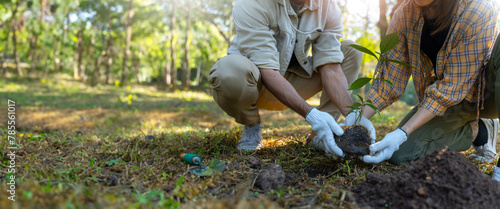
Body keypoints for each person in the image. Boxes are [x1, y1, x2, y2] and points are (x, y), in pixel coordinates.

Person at [352, 0, 500, 178]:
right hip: (447, 104)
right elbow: (389, 81)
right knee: (402, 154)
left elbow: (452, 86)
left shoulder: (477, 9)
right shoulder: (404, 14)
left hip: (487, 96)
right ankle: (478, 130)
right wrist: (356, 120)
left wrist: (403, 131)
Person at [209, 0, 368, 157]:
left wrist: (353, 115)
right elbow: (267, 69)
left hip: (292, 84)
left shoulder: (328, 7)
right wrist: (310, 114)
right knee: (228, 70)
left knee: (351, 51)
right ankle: (251, 124)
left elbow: (331, 67)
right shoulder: (252, 3)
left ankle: (321, 135)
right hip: (252, 85)